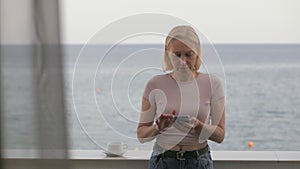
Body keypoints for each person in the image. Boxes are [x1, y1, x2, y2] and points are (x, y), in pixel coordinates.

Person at [137, 25, 225, 169]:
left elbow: (220, 135)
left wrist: (199, 126)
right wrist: (158, 128)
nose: (183, 61)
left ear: (197, 53)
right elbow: (141, 135)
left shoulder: (213, 84)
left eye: (188, 54)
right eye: (177, 55)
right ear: (167, 53)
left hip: (198, 162)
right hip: (163, 161)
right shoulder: (154, 84)